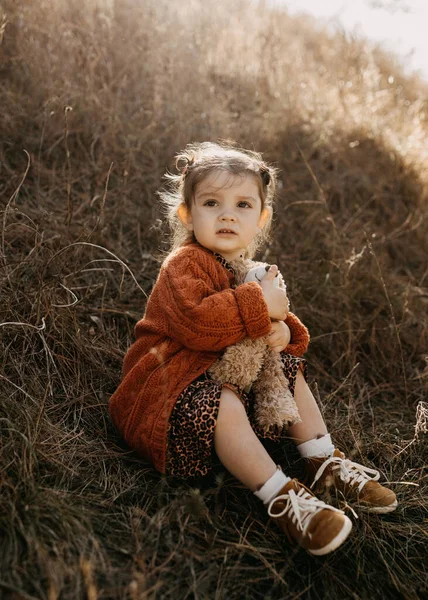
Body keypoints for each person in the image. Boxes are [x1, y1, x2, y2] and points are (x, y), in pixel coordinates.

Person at [109, 140, 397, 556]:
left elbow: (274, 322)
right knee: (223, 399)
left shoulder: (251, 271)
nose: (228, 214)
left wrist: (282, 333)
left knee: (285, 366)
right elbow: (198, 323)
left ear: (261, 218)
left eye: (243, 205)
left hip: (219, 379)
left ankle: (323, 461)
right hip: (166, 393)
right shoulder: (183, 265)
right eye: (212, 202)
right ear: (187, 213)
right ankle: (283, 499)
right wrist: (264, 306)